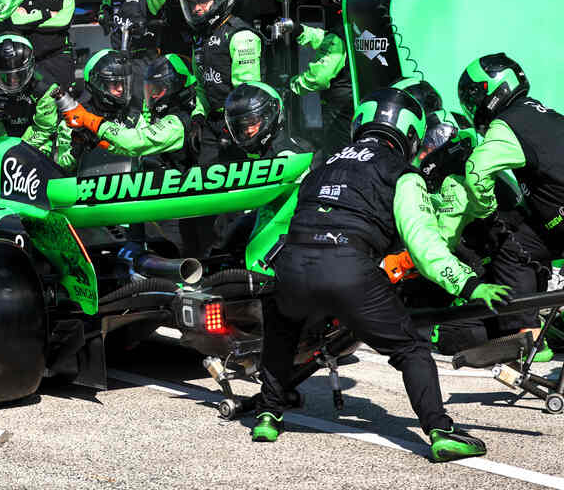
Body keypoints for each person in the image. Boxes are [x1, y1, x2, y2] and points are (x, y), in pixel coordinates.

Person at [251, 87, 507, 462]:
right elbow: (424, 245)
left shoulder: (321, 167)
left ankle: (269, 415)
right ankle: (440, 429)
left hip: (291, 265)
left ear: (360, 124)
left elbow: (285, 223)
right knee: (410, 348)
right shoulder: (402, 174)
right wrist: (469, 282)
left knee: (282, 325)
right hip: (348, 267)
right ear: (410, 134)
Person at [458, 53, 564, 344]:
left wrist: (486, 210)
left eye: (472, 96)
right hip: (557, 214)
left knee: (509, 243)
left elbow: (476, 170)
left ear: (489, 91)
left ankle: (528, 336)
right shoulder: (539, 112)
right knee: (524, 241)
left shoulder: (507, 124)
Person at [225, 82, 315, 269]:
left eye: (252, 123)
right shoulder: (261, 155)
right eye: (241, 127)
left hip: (285, 247)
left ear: (269, 116)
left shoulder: (288, 155)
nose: (248, 131)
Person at [179, 0, 263, 163]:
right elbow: (201, 86)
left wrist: (233, 127)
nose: (196, 9)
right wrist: (198, 118)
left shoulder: (241, 35)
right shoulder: (200, 39)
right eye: (192, 4)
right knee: (204, 175)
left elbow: (246, 92)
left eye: (202, 2)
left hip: (243, 123)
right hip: (213, 121)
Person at [65, 53, 198, 167]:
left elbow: (134, 143)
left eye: (158, 90)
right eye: (150, 90)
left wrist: (90, 121)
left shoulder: (179, 122)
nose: (153, 96)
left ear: (176, 86)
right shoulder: (166, 116)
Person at [0, 35, 72, 167]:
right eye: (5, 76)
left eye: (18, 74)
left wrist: (18, 151)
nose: (13, 81)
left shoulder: (46, 87)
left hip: (37, 139)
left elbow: (44, 128)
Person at [96, 0, 167, 92]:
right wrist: (103, 16)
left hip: (143, 57)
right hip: (119, 56)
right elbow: (105, 6)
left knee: (140, 96)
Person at [284, 20, 353, 151]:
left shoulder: (339, 36)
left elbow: (319, 77)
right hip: (359, 99)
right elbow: (327, 38)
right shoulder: (359, 29)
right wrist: (301, 31)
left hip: (340, 107)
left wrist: (293, 85)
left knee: (336, 149)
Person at [19, 0, 76, 92]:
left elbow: (64, 20)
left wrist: (30, 21)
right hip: (32, 61)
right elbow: (17, 22)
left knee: (65, 106)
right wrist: (48, 14)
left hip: (59, 58)